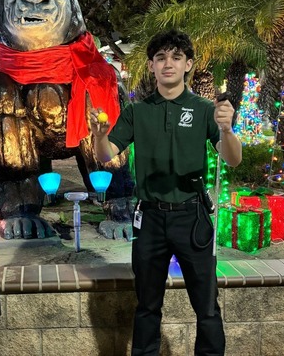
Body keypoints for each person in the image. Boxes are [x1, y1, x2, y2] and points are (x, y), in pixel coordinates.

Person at [89, 30, 242, 356]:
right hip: (150, 219)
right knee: (146, 307)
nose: (168, 63)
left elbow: (233, 158)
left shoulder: (204, 110)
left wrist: (227, 129)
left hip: (193, 217)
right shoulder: (137, 111)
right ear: (151, 65)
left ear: (188, 64)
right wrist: (99, 136)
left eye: (175, 57)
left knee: (207, 307)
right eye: (161, 57)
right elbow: (105, 154)